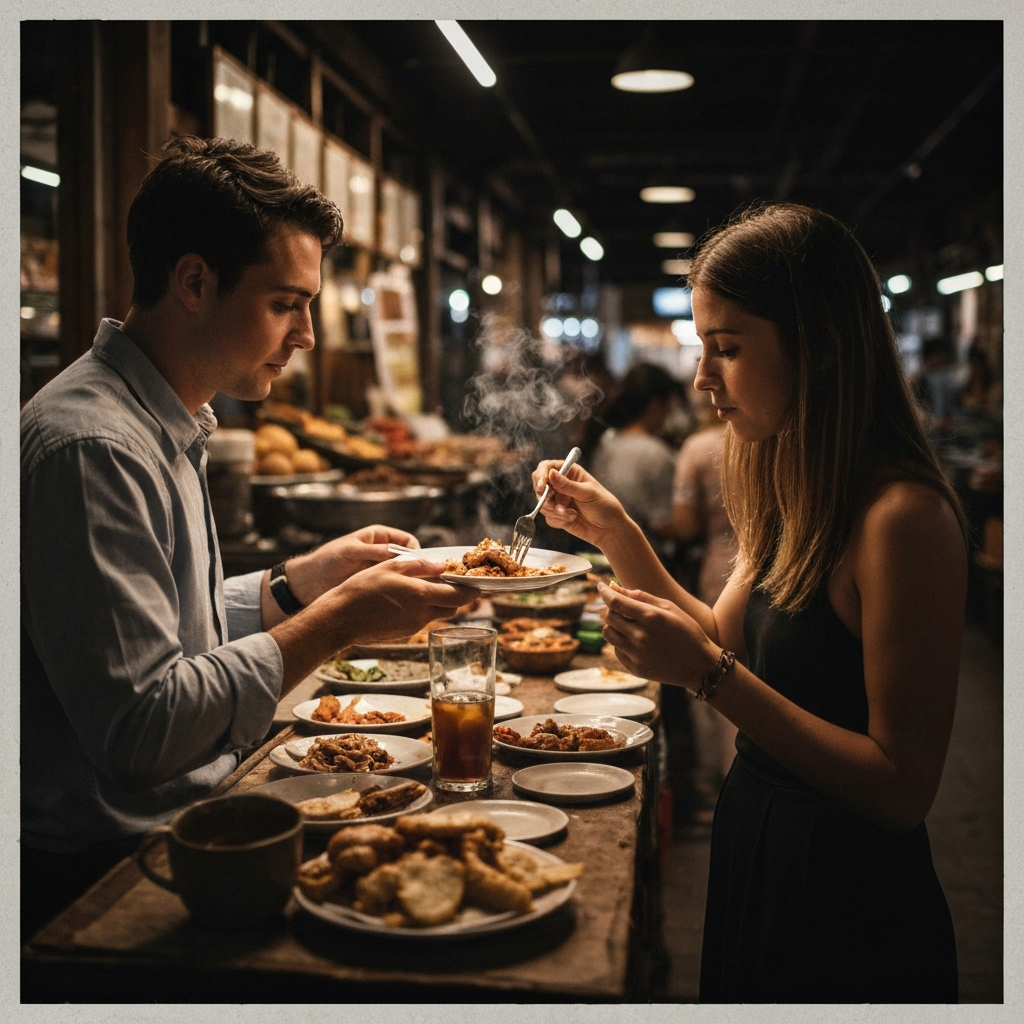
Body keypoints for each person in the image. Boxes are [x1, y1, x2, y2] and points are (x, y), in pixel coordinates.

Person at [20, 136, 474, 938]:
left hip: (185, 833)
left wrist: (298, 584)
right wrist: (336, 623)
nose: (304, 334)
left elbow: (163, 626)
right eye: (284, 303)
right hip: (110, 873)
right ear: (194, 281)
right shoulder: (94, 445)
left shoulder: (164, 417)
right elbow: (143, 729)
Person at [530, 203, 966, 1002]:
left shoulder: (904, 517)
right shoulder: (790, 481)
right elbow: (724, 635)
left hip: (845, 890)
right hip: (758, 835)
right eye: (703, 348)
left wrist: (707, 679)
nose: (702, 380)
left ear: (821, 348)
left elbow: (901, 788)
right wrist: (618, 535)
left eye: (726, 349)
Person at [670, 389, 739, 812]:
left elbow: (684, 524)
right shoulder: (778, 440)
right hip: (778, 563)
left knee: (719, 676)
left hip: (720, 565)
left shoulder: (698, 448)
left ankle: (720, 789)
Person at [589, 362, 683, 548]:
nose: (670, 416)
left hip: (598, 548)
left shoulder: (606, 441)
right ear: (655, 405)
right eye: (669, 408)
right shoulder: (655, 453)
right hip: (639, 555)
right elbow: (663, 525)